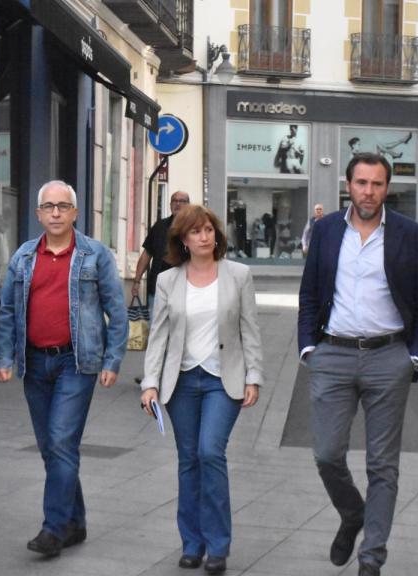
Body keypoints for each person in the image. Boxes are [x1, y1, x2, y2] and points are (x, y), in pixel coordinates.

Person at [298, 152, 418, 576]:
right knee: (327, 454)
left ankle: (372, 556)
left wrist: (413, 358)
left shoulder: (409, 234)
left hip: (388, 357)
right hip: (333, 354)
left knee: (382, 465)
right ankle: (353, 513)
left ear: (387, 188)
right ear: (348, 185)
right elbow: (309, 294)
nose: (368, 192)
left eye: (377, 184)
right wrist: (309, 349)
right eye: (361, 183)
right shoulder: (325, 231)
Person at [0, 180, 128, 559]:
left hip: (76, 361)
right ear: (38, 214)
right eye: (49, 207)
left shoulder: (95, 255)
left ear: (74, 213)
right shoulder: (23, 257)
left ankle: (53, 529)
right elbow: (6, 310)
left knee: (62, 442)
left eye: (62, 206)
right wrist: (2, 356)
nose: (55, 213)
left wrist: (112, 360)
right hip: (34, 362)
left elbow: (116, 311)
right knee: (51, 447)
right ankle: (75, 521)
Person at [140, 205, 263, 575]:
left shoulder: (238, 275)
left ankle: (218, 546)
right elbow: (159, 335)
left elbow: (250, 329)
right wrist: (150, 383)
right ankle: (192, 544)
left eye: (208, 229)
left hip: (222, 381)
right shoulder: (168, 281)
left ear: (217, 234)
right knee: (188, 460)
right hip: (181, 382)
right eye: (195, 231)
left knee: (210, 452)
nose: (204, 236)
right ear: (183, 240)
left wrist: (253, 376)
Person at [132, 190, 190, 322]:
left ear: (188, 205)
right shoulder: (160, 226)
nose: (177, 204)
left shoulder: (194, 228)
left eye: (182, 201)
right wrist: (136, 281)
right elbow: (146, 254)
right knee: (156, 328)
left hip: (184, 291)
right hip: (157, 290)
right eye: (174, 201)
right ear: (170, 205)